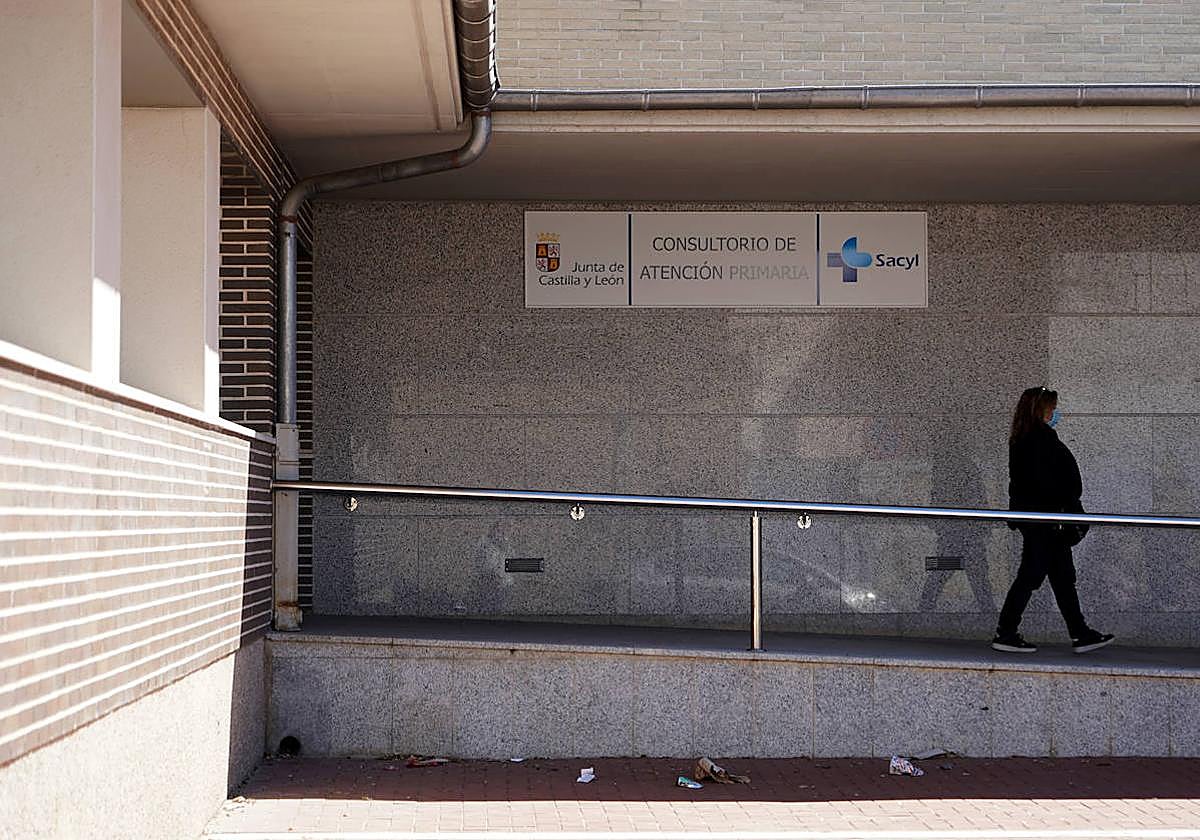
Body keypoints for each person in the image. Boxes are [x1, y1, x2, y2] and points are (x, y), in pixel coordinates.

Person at [992, 386, 1114, 654]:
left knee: (1061, 577)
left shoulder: (1025, 437)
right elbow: (1046, 482)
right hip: (1046, 521)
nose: (1055, 413)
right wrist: (1064, 505)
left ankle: (1079, 632)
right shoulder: (1039, 439)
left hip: (1044, 520)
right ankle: (1006, 631)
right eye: (1053, 408)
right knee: (1032, 575)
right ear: (1042, 409)